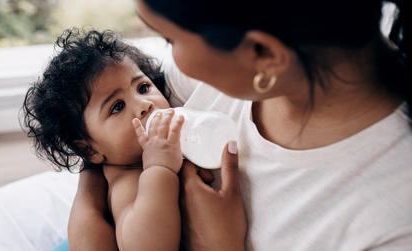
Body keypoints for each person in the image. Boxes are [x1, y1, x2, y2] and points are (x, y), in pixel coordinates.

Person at [69, 0, 412, 250]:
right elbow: (106, 147)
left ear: (263, 54)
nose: (145, 101)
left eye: (170, 41)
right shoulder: (229, 67)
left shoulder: (392, 222)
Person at [22, 28, 198, 251]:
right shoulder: (127, 179)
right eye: (117, 107)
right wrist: (159, 168)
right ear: (89, 150)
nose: (144, 105)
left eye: (143, 87)